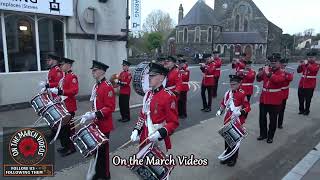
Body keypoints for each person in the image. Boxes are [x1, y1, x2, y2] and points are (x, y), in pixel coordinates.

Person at [130, 63, 179, 154]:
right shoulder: (148, 94)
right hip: (145, 136)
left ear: (161, 78)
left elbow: (173, 122)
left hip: (159, 139)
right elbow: (143, 115)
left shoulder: (168, 97)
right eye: (149, 75)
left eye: (153, 75)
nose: (149, 77)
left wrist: (160, 133)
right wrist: (136, 129)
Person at [80, 60, 116, 180]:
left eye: (95, 70)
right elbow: (94, 103)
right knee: (96, 150)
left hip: (104, 124)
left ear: (102, 71)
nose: (93, 72)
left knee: (103, 152)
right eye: (92, 70)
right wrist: (89, 114)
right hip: (96, 123)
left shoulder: (107, 86)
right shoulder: (96, 86)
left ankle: (105, 175)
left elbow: (110, 108)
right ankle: (97, 172)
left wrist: (94, 114)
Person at [216, 74, 251, 167]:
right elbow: (223, 103)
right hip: (227, 118)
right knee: (227, 139)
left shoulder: (242, 93)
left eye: (234, 84)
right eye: (231, 84)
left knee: (234, 140)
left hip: (237, 120)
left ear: (240, 84)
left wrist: (240, 112)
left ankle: (233, 158)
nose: (232, 86)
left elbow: (247, 107)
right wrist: (220, 110)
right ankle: (227, 156)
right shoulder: (228, 93)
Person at [47, 57, 78, 156]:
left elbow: (74, 91)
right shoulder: (64, 77)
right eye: (60, 64)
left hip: (69, 107)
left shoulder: (72, 77)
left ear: (68, 65)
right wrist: (57, 97)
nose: (60, 66)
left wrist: (60, 91)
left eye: (62, 64)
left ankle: (71, 148)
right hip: (63, 106)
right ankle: (65, 146)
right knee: (63, 129)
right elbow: (61, 91)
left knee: (69, 130)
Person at [256, 53, 285, 143]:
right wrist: (260, 74)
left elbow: (277, 80)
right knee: (262, 118)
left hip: (275, 100)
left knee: (273, 120)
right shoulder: (267, 70)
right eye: (271, 62)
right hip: (264, 98)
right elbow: (258, 79)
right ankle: (263, 134)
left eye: (275, 62)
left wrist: (268, 73)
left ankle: (270, 136)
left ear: (279, 63)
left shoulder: (282, 72)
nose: (272, 64)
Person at [277, 58, 294, 129]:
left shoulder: (288, 71)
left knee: (282, 110)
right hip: (276, 93)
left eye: (284, 64)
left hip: (284, 93)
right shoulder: (277, 70)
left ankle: (280, 123)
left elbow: (290, 78)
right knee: (275, 111)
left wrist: (284, 74)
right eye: (282, 64)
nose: (283, 65)